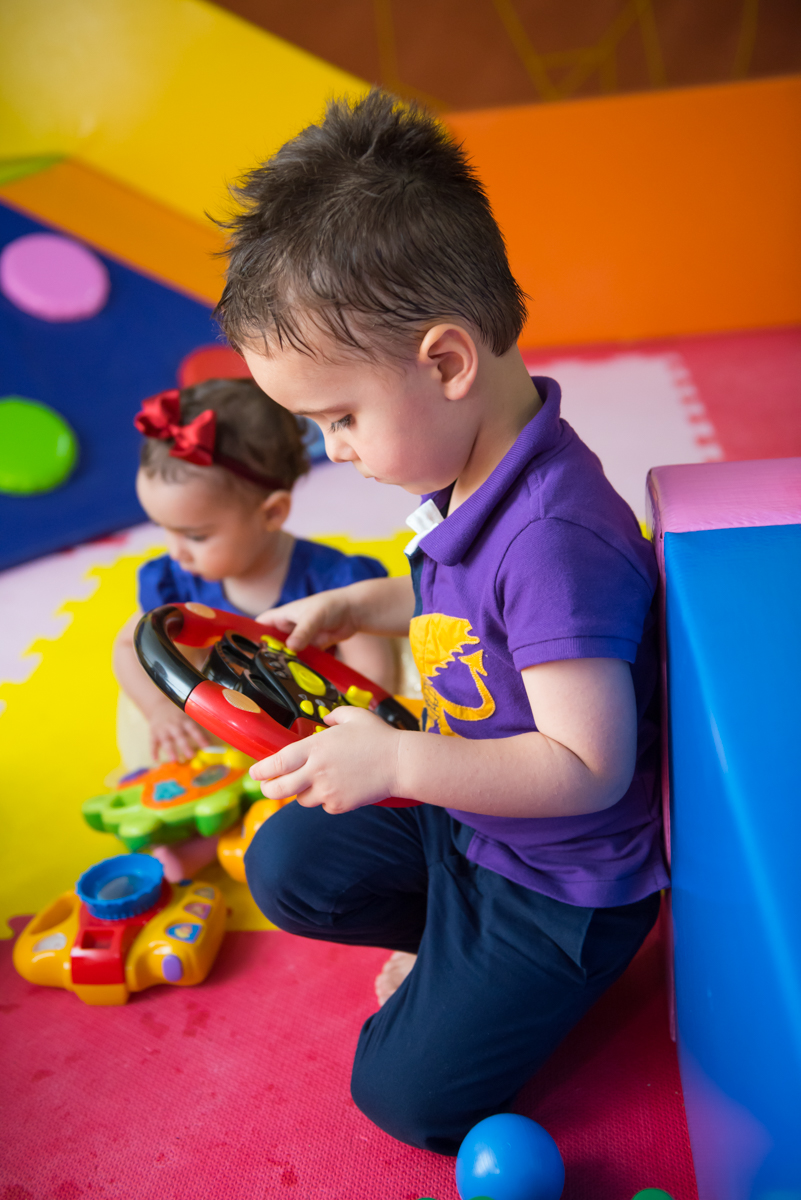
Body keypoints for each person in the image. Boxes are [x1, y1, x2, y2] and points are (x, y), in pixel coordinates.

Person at [215, 91, 669, 1155]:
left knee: (402, 1100)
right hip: (473, 818)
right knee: (289, 864)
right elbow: (474, 618)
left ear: (448, 361)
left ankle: (536, 982)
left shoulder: (555, 535)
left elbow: (586, 769)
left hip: (558, 885)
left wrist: (397, 763)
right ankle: (453, 945)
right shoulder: (477, 476)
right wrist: (364, 602)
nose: (333, 450)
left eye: (340, 419)